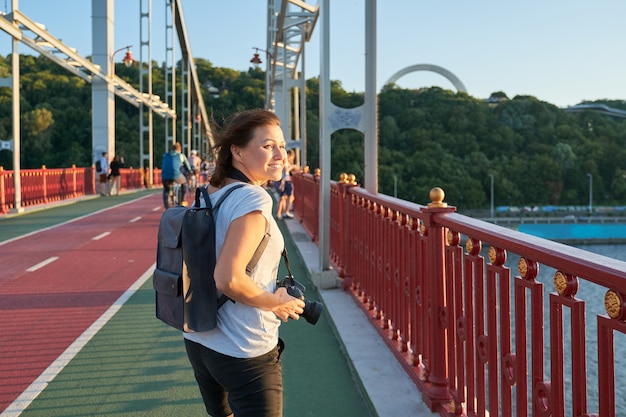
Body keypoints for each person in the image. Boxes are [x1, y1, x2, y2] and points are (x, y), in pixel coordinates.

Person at [183, 109, 305, 417]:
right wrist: (274, 303)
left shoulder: (210, 192)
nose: (281, 154)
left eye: (282, 145)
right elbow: (228, 279)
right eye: (267, 146)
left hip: (199, 338)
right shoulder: (253, 199)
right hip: (243, 346)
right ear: (237, 151)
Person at [161, 142, 192, 208]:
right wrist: (190, 171)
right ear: (179, 149)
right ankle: (183, 199)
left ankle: (166, 206)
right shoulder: (180, 155)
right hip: (176, 175)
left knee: (166, 190)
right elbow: (187, 165)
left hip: (164, 176)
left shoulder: (165, 155)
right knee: (184, 182)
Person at [275, 149, 295, 219]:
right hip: (285, 180)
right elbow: (286, 171)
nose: (292, 158)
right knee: (289, 196)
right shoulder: (285, 161)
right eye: (291, 157)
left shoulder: (283, 160)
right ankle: (285, 212)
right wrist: (293, 167)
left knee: (282, 198)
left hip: (282, 180)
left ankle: (279, 214)